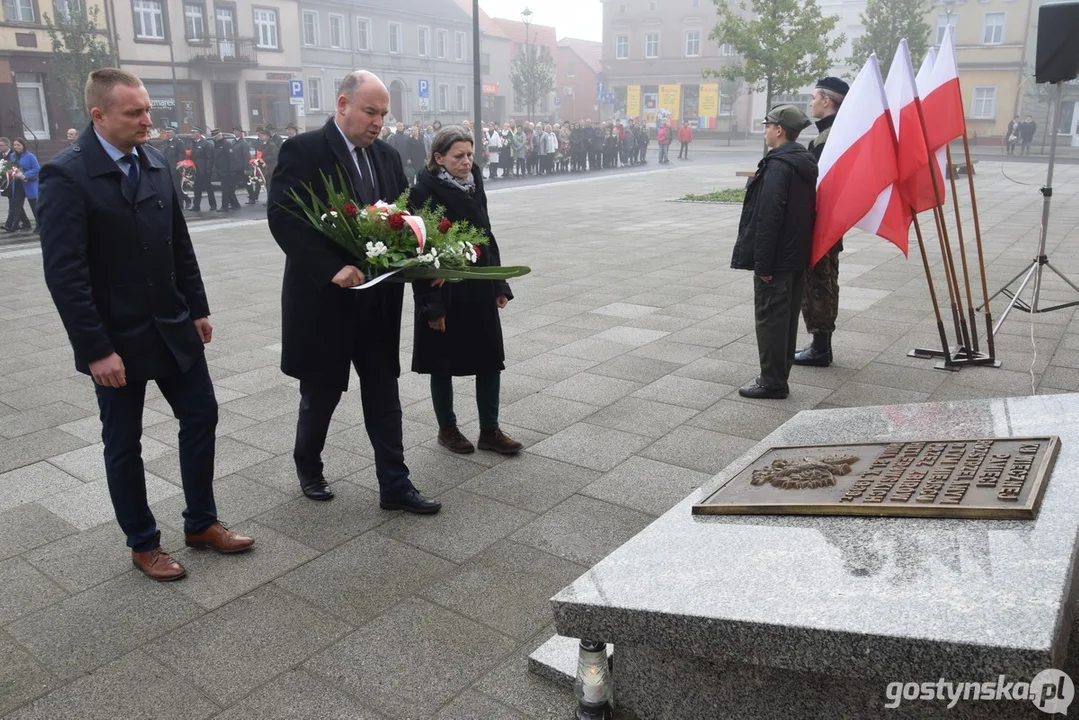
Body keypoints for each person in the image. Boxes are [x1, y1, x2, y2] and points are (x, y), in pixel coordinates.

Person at [38, 68, 253, 582]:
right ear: (98, 115)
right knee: (124, 442)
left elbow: (180, 244)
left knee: (201, 415)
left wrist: (197, 307)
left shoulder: (153, 163)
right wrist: (95, 349)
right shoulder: (67, 174)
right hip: (116, 339)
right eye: (134, 112)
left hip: (172, 323)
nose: (147, 120)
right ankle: (143, 542)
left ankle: (201, 522)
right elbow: (65, 274)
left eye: (147, 110)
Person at [267, 70, 441, 514]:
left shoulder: (385, 154)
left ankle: (395, 486)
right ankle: (308, 462)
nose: (378, 121)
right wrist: (331, 269)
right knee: (321, 394)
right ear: (342, 104)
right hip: (325, 302)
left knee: (384, 393)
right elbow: (285, 217)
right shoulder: (303, 150)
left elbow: (405, 215)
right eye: (370, 111)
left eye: (383, 113)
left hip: (377, 301)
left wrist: (428, 258)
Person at [408, 126, 522, 455]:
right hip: (442, 289)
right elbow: (420, 252)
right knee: (441, 363)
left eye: (470, 155)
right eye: (459, 156)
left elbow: (486, 233)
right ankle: (447, 429)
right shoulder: (421, 193)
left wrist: (498, 282)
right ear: (438, 158)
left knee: (489, 359)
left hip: (478, 285)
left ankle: (490, 430)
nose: (467, 161)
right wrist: (432, 306)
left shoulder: (474, 184)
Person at [731, 105, 817, 400]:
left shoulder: (779, 166)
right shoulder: (801, 161)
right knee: (786, 319)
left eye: (767, 124)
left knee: (770, 319)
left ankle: (772, 381)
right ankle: (779, 374)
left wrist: (763, 264)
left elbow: (769, 217)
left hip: (777, 258)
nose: (765, 129)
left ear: (779, 130)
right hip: (794, 256)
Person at [794, 76, 848, 368]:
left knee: (818, 283)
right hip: (831, 221)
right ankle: (820, 344)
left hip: (821, 222)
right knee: (826, 281)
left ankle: (820, 347)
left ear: (827, 101)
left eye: (814, 97)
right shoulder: (836, 134)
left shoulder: (828, 139)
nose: (811, 102)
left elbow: (817, 185)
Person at [6, 138, 40, 233]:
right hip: (17, 184)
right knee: (17, 205)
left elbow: (36, 169)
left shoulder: (30, 156)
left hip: (28, 183)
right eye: (15, 145)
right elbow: (11, 168)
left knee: (34, 205)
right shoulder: (13, 156)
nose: (16, 147)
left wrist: (25, 175)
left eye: (18, 145)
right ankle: (15, 225)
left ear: (23, 146)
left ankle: (39, 225)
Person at [160, 126, 189, 208]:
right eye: (166, 132)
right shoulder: (165, 142)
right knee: (169, 187)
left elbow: (182, 155)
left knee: (177, 187)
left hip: (176, 169)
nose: (167, 134)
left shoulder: (179, 142)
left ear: (173, 133)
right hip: (166, 168)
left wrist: (178, 166)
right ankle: (174, 203)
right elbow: (161, 153)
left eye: (169, 132)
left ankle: (182, 202)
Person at [190, 126, 216, 211]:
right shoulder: (193, 144)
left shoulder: (206, 144)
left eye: (194, 132)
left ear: (199, 134)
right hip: (196, 170)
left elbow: (209, 158)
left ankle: (213, 205)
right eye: (192, 133)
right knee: (197, 189)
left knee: (208, 188)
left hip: (204, 170)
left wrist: (208, 169)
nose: (192, 134)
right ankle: (196, 205)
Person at [212, 129, 239, 211]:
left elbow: (231, 158)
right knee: (229, 189)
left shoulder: (226, 144)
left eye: (215, 137)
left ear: (219, 136)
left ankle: (225, 206)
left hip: (227, 171)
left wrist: (232, 171)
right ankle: (235, 204)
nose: (214, 139)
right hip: (221, 170)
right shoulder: (217, 144)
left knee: (225, 189)